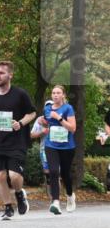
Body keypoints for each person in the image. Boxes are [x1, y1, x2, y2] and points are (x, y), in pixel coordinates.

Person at [0, 60, 37, 220]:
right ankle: (8, 207)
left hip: (16, 141)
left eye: (1, 73)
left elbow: (32, 113)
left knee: (14, 176)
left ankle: (19, 193)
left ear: (10, 75)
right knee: (0, 176)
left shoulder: (20, 94)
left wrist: (20, 123)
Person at [37, 86, 77, 214]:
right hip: (51, 145)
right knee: (53, 171)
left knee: (65, 173)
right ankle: (55, 202)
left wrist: (59, 118)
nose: (55, 95)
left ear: (63, 95)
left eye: (58, 93)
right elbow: (48, 123)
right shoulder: (47, 108)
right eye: (53, 93)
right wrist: (42, 122)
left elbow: (72, 128)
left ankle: (70, 196)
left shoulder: (68, 108)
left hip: (67, 146)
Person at [30, 100, 54, 181]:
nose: (49, 109)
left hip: (58, 148)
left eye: (51, 106)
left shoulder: (59, 118)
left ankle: (56, 189)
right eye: (47, 107)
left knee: (55, 173)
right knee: (47, 174)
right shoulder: (39, 120)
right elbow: (31, 135)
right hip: (44, 149)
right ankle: (50, 188)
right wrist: (42, 132)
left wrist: (48, 127)